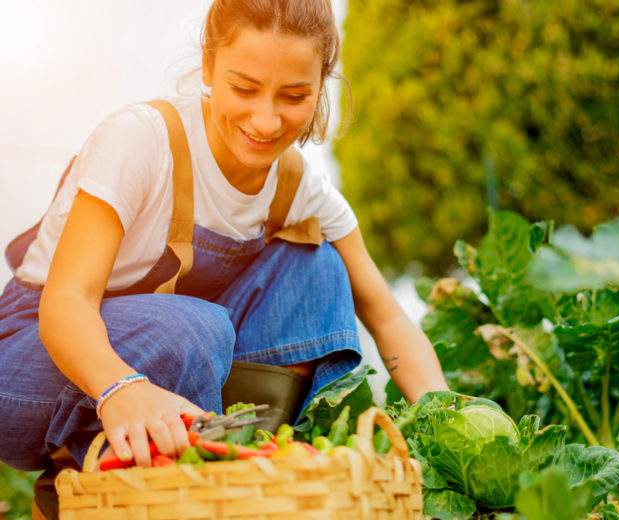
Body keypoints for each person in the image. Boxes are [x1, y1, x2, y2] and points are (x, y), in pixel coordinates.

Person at [0, 0, 448, 482]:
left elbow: (387, 317)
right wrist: (120, 387)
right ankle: (82, 473)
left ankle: (236, 472)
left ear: (322, 84)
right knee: (193, 329)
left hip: (176, 360)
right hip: (30, 364)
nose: (266, 121)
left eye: (294, 96)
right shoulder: (141, 141)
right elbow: (66, 301)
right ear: (210, 63)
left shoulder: (301, 190)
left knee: (317, 269)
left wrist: (450, 421)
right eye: (245, 88)